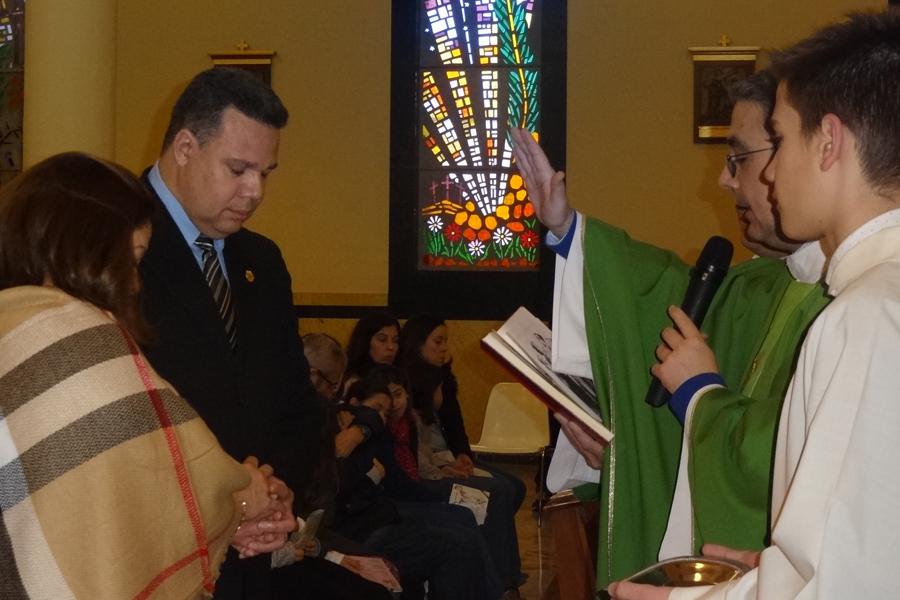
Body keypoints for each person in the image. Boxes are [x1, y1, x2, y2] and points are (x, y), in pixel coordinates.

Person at [610, 10, 900, 599]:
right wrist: (777, 573)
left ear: (829, 143)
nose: (767, 173)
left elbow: (845, 588)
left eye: (781, 137)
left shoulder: (866, 317)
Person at [509, 68, 829, 586]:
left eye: (737, 158)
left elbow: (790, 456)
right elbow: (660, 296)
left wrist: (701, 394)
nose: (724, 180)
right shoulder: (762, 284)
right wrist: (567, 229)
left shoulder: (855, 299)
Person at [0, 152, 292, 599]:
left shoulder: (11, 327)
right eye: (131, 260)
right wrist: (243, 495)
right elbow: (161, 473)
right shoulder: (75, 345)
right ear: (83, 249)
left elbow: (98, 499)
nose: (135, 283)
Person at [138, 67, 318, 598]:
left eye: (266, 172)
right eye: (238, 168)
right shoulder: (112, 244)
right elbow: (119, 427)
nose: (255, 190)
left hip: (250, 556)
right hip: (157, 554)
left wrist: (278, 494)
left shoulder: (261, 260)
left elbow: (293, 401)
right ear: (186, 147)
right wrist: (222, 508)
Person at [399, 315, 527, 594]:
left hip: (445, 457)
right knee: (496, 492)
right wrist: (446, 467)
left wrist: (463, 454)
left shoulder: (440, 375)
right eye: (438, 341)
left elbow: (453, 422)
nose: (444, 348)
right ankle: (502, 577)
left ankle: (492, 560)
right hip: (430, 465)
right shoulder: (406, 385)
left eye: (446, 341)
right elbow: (418, 452)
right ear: (418, 344)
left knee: (515, 487)